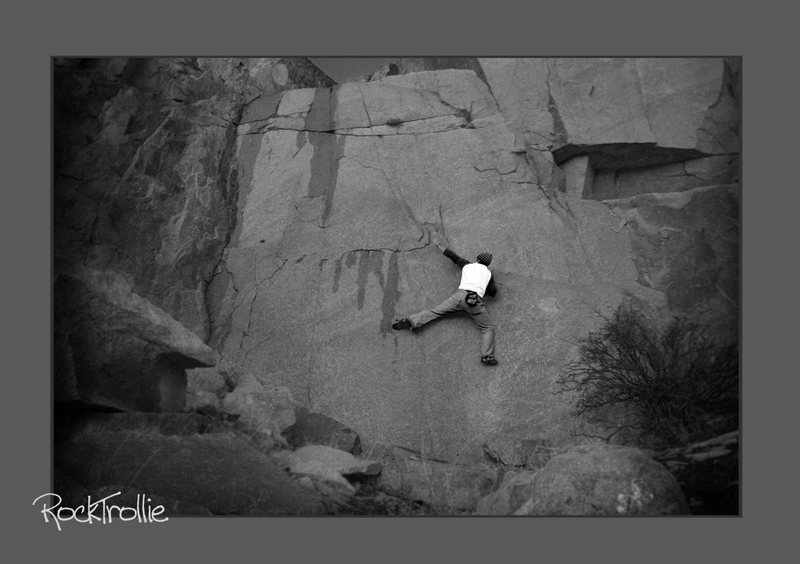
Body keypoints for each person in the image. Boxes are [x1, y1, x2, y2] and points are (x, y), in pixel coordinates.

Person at [392, 239, 498, 366]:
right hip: (475, 302)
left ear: (477, 259)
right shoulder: (489, 274)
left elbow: (452, 256)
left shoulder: (467, 265)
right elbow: (493, 292)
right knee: (487, 328)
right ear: (487, 264)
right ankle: (487, 356)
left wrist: (438, 245)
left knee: (435, 311)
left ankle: (411, 321)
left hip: (458, 297)